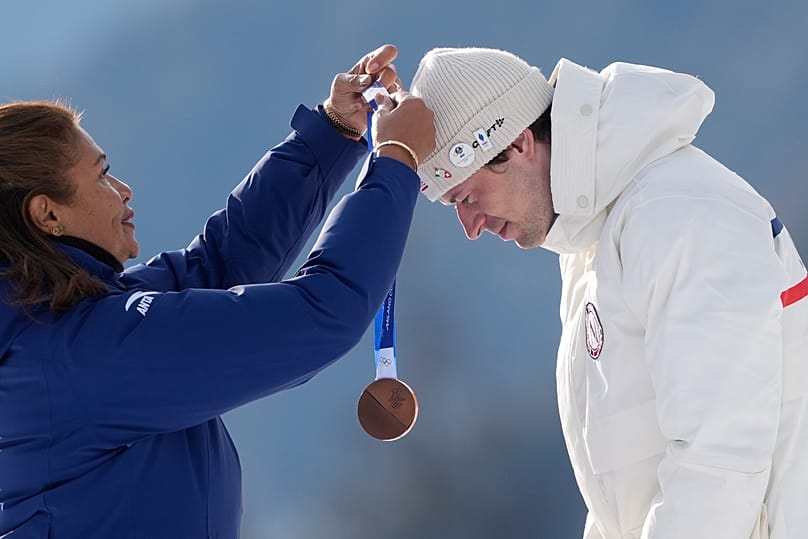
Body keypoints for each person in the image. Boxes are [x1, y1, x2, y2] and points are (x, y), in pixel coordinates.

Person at [0, 44, 435, 538]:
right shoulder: (85, 355)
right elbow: (323, 312)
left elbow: (220, 263)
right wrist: (396, 163)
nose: (123, 189)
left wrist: (335, 131)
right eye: (101, 175)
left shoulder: (61, 327)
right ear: (47, 215)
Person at [410, 47, 808, 538]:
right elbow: (620, 490)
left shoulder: (680, 214)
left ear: (516, 144)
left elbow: (720, 460)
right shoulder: (593, 243)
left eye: (466, 198)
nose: (470, 226)